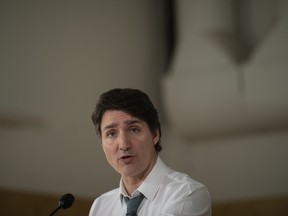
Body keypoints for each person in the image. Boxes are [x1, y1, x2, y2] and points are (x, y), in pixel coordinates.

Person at [89, 88, 211, 216]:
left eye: (134, 130)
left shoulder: (187, 194)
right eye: (111, 133)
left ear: (155, 135)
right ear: (102, 144)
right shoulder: (100, 207)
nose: (124, 145)